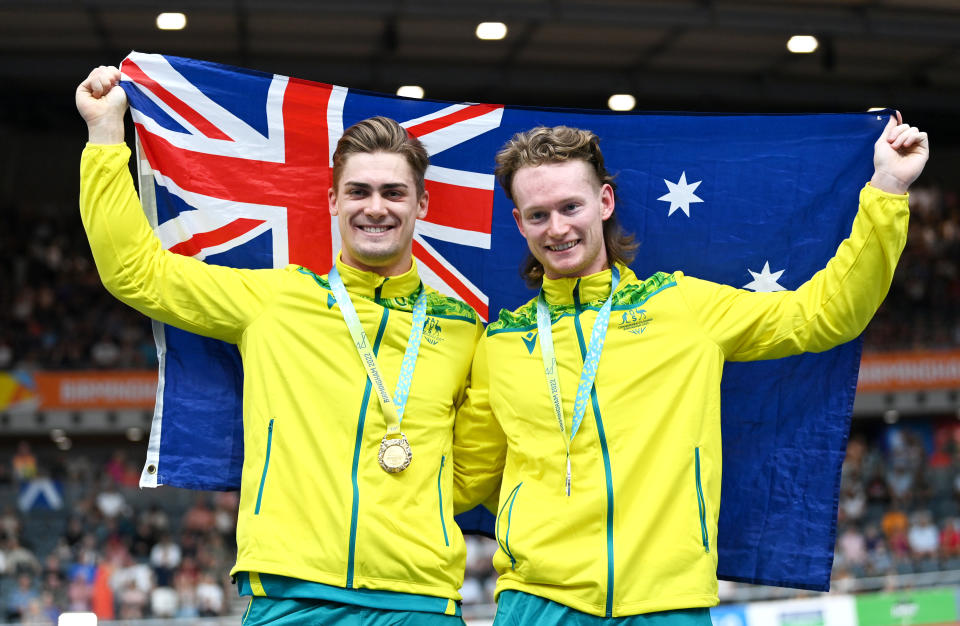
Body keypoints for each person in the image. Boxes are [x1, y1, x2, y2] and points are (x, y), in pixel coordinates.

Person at [453, 116, 928, 623]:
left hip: (669, 602)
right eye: (539, 214)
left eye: (571, 207)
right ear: (519, 223)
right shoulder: (500, 343)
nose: (558, 228)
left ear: (604, 202)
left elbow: (825, 314)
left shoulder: (682, 307)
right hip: (537, 603)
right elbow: (463, 477)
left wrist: (888, 187)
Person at [76, 66, 483, 625]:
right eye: (358, 192)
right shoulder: (276, 302)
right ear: (334, 202)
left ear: (423, 204)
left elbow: (473, 466)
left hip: (419, 598)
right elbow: (135, 272)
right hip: (290, 597)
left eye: (394, 192)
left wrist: (418, 502)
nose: (376, 207)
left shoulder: (463, 328)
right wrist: (104, 135)